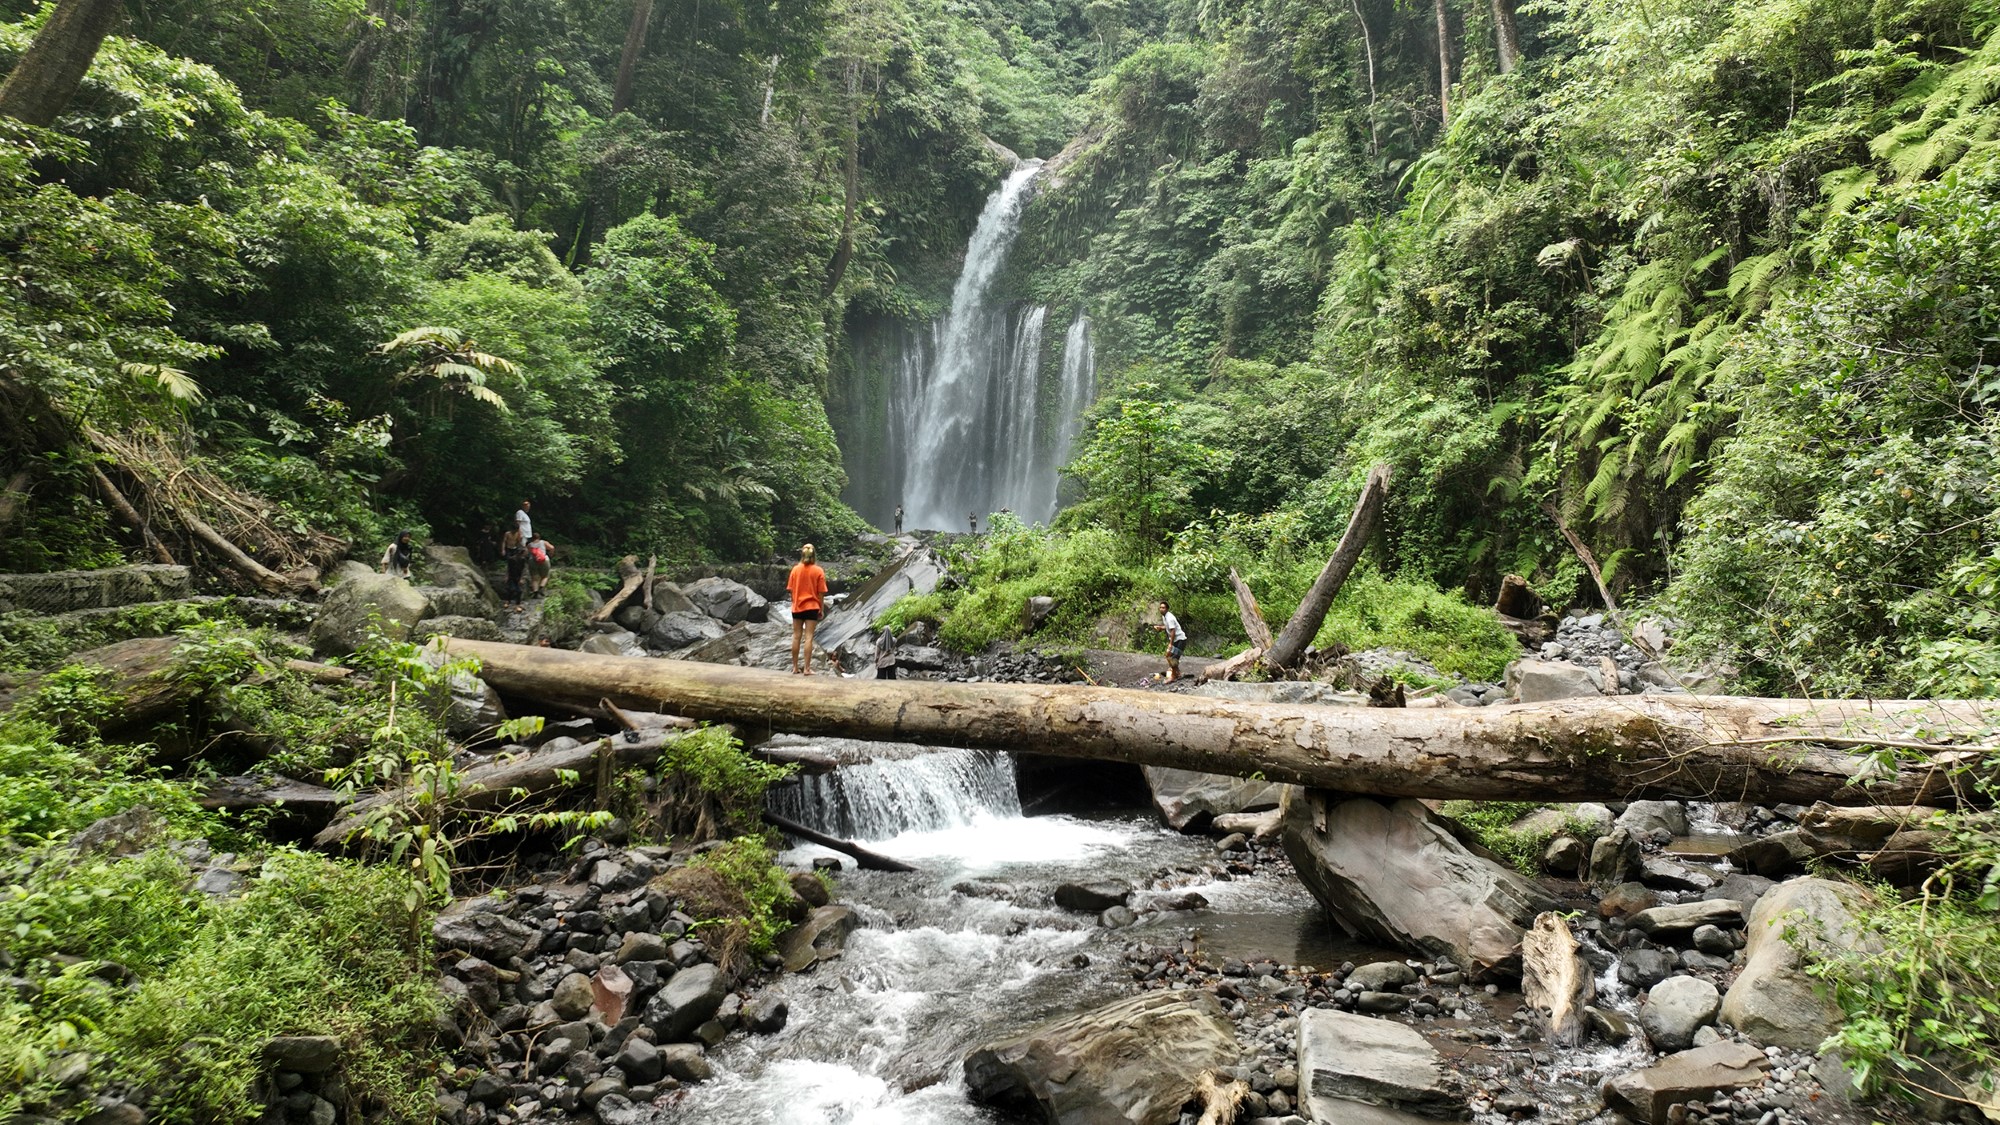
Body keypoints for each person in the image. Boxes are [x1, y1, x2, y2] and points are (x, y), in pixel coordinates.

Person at [787, 543, 828, 675]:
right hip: (812, 607)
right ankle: (806, 669)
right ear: (814, 555)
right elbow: (821, 593)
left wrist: (794, 603)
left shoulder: (795, 570)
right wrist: (821, 609)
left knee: (796, 636)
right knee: (808, 637)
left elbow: (791, 590)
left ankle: (794, 667)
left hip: (797, 607)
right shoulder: (818, 571)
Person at [1149, 600, 1188, 683]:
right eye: (1160, 607)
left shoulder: (1169, 618)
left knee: (1173, 658)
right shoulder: (1165, 617)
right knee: (1168, 656)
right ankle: (1177, 673)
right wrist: (1160, 628)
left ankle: (1173, 677)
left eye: (1163, 608)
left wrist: (1170, 644)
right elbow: (1168, 627)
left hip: (1180, 640)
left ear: (1167, 609)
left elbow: (1173, 631)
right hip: (1176, 640)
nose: (1161, 609)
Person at [500, 525, 526, 610]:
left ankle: (517, 604)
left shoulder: (522, 560)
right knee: (510, 589)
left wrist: (522, 578)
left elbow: (523, 569)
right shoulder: (507, 534)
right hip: (512, 574)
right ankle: (507, 601)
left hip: (517, 575)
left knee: (518, 590)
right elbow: (508, 568)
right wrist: (506, 576)